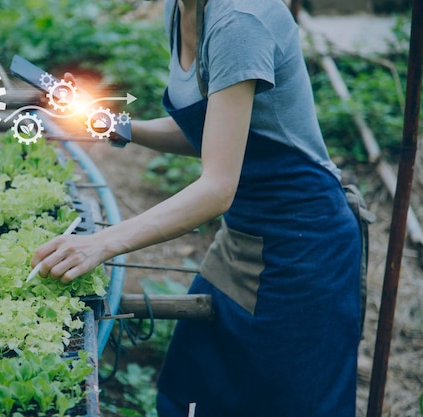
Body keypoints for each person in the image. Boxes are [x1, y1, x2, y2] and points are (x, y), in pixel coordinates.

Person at [30, 0, 362, 415]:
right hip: (244, 238)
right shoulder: (181, 9)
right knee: (196, 386)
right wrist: (123, 128)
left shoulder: (240, 22)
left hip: (304, 248)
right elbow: (217, 132)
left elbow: (217, 187)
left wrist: (100, 244)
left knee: (292, 401)